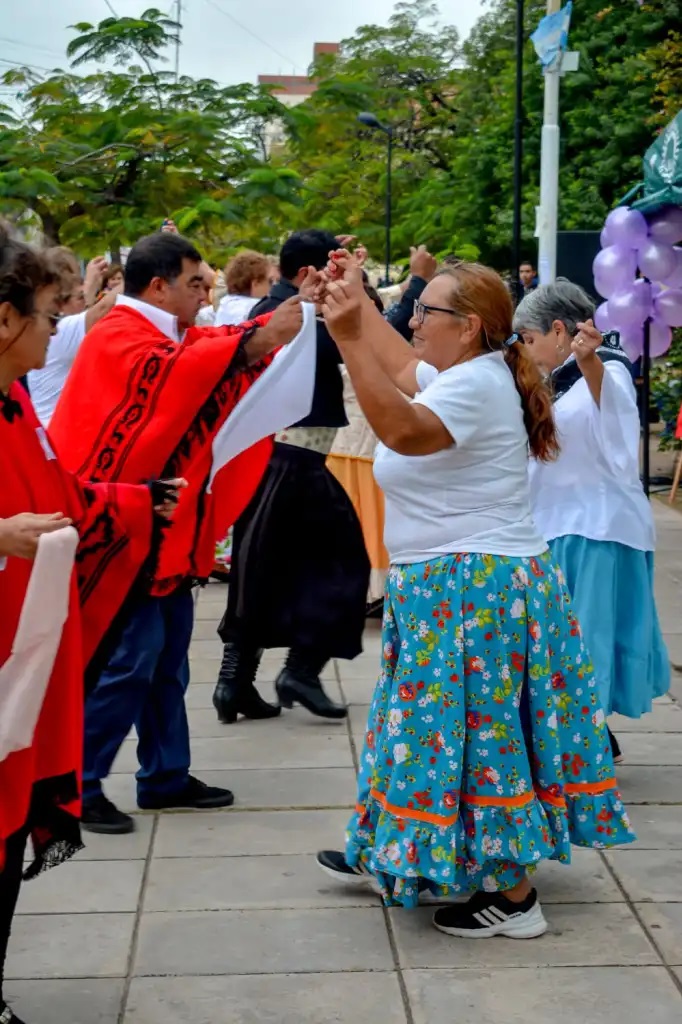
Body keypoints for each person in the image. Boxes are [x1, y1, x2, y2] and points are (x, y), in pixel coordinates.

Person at [315, 256, 635, 939]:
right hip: (458, 587)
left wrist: (346, 337)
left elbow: (403, 430)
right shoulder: (470, 373)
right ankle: (403, 851)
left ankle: (514, 899)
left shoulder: (477, 386)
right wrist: (356, 301)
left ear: (468, 327)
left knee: (479, 739)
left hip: (470, 592)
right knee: (429, 733)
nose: (414, 320)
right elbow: (403, 365)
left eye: (426, 310)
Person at [49, 231, 307, 835]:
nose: (204, 296)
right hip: (121, 536)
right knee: (129, 663)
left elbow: (202, 352)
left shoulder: (164, 334)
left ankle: (165, 775)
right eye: (195, 284)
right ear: (158, 286)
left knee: (166, 663)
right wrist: (261, 338)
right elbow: (179, 373)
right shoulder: (119, 332)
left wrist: (287, 312)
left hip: (158, 535)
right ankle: (76, 787)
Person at [0, 228, 174, 1024]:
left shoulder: (15, 403)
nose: (61, 328)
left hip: (20, 671)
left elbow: (60, 494)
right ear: (6, 319)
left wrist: (134, 502)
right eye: (51, 313)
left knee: (8, 834)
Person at [213, 229, 370, 724]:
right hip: (290, 458)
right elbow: (357, 344)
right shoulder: (289, 315)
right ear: (308, 274)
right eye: (329, 271)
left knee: (262, 568)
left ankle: (237, 682)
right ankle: (294, 671)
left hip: (286, 460)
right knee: (342, 564)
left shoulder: (286, 310)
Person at [513, 280, 670, 760]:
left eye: (530, 338)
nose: (525, 348)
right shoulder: (558, 377)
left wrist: (590, 364)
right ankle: (582, 737)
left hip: (595, 529)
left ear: (559, 330)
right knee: (565, 642)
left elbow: (618, 428)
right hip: (561, 525)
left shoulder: (607, 367)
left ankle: (582, 746)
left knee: (585, 643)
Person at [26, 252, 119, 426]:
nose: (85, 301)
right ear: (60, 303)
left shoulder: (57, 327)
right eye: (80, 297)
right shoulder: (59, 330)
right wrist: (142, 270)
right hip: (57, 432)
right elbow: (102, 309)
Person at [215, 250, 271, 327]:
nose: (271, 287)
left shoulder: (224, 305)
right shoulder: (257, 310)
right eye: (269, 282)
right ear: (256, 284)